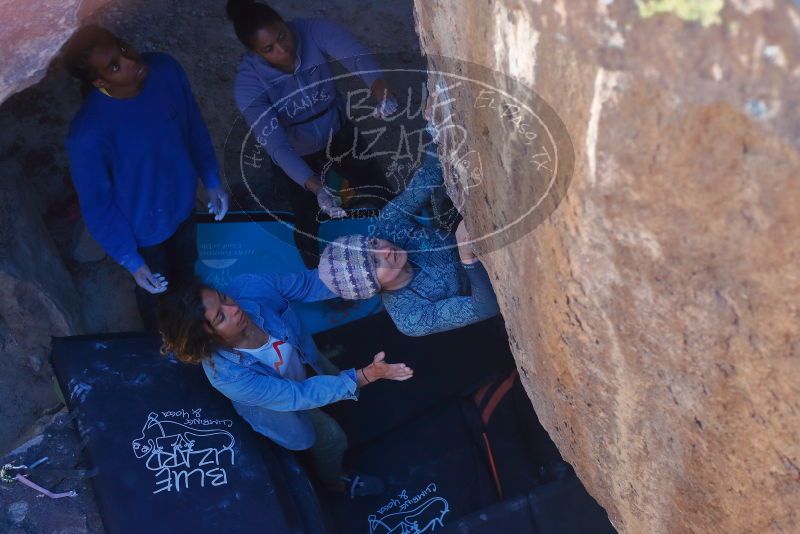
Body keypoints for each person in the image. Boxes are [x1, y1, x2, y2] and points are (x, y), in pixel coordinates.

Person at [158, 270, 413, 497]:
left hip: (304, 362)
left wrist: (369, 276)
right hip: (284, 401)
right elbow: (297, 397)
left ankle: (340, 392)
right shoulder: (228, 377)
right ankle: (336, 483)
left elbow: (308, 283)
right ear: (208, 340)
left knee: (333, 377)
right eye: (220, 318)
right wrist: (365, 375)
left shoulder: (251, 286)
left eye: (224, 298)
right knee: (331, 439)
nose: (235, 308)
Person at [62, 25, 229, 331]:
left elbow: (192, 125)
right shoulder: (88, 135)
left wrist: (211, 178)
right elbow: (99, 205)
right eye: (114, 66)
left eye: (123, 48)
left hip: (182, 206)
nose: (130, 60)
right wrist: (132, 261)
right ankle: (163, 339)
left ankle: (195, 329)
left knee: (186, 273)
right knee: (156, 295)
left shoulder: (165, 71)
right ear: (100, 82)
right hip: (142, 232)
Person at [226, 0, 398, 268]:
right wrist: (315, 186)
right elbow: (277, 145)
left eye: (282, 35)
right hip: (295, 152)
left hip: (337, 130)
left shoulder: (312, 30)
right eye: (268, 49)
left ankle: (405, 244)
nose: (283, 50)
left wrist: (381, 91)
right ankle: (317, 271)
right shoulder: (248, 86)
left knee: (378, 189)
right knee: (307, 215)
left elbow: (357, 56)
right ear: (254, 53)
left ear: (285, 23)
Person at [317, 160, 501, 337]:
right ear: (372, 287)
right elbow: (485, 307)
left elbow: (429, 175)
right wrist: (467, 258)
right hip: (498, 290)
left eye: (373, 243)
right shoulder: (409, 316)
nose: (385, 249)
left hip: (485, 241)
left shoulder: (390, 225)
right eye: (375, 261)